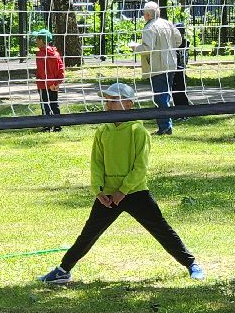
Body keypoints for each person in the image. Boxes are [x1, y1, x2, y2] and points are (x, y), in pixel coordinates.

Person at [38, 82, 204, 286]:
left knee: (161, 229)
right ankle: (63, 270)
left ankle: (192, 264)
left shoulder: (137, 131)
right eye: (107, 100)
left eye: (114, 100)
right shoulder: (103, 131)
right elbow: (97, 162)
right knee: (89, 233)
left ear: (129, 103)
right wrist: (98, 189)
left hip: (135, 192)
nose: (109, 104)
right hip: (108, 195)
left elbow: (140, 166)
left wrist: (123, 191)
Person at [136, 1, 181, 135]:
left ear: (148, 14)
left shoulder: (149, 27)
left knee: (160, 97)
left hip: (158, 66)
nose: (144, 16)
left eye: (144, 13)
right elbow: (178, 40)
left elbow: (147, 48)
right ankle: (166, 125)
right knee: (166, 95)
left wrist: (135, 47)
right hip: (171, 63)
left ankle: (165, 126)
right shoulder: (167, 23)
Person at [33, 28, 65, 131]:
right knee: (54, 104)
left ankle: (47, 125)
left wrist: (50, 83)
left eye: (37, 39)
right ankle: (57, 125)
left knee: (45, 105)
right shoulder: (56, 54)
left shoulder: (40, 55)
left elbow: (43, 72)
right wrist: (57, 83)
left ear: (42, 40)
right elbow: (61, 68)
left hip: (44, 86)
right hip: (54, 86)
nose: (36, 41)